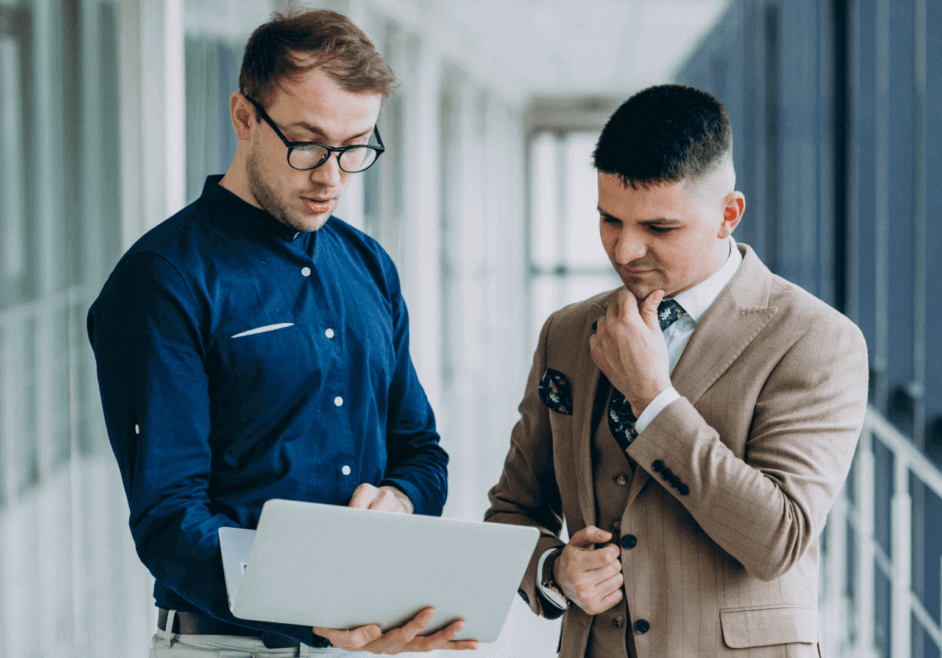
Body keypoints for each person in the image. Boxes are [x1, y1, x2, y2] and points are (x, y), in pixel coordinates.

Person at [88, 10, 475, 656]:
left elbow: (421, 452)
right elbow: (169, 519)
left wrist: (401, 502)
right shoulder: (164, 281)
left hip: (362, 641)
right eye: (308, 143)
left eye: (356, 148)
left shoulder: (369, 266)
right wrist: (310, 612)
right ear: (244, 117)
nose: (332, 176)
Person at [485, 84, 869, 657]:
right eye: (610, 220)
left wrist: (652, 397)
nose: (625, 250)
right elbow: (512, 510)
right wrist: (554, 571)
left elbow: (777, 539)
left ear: (727, 215)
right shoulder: (565, 333)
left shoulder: (816, 339)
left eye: (659, 228)